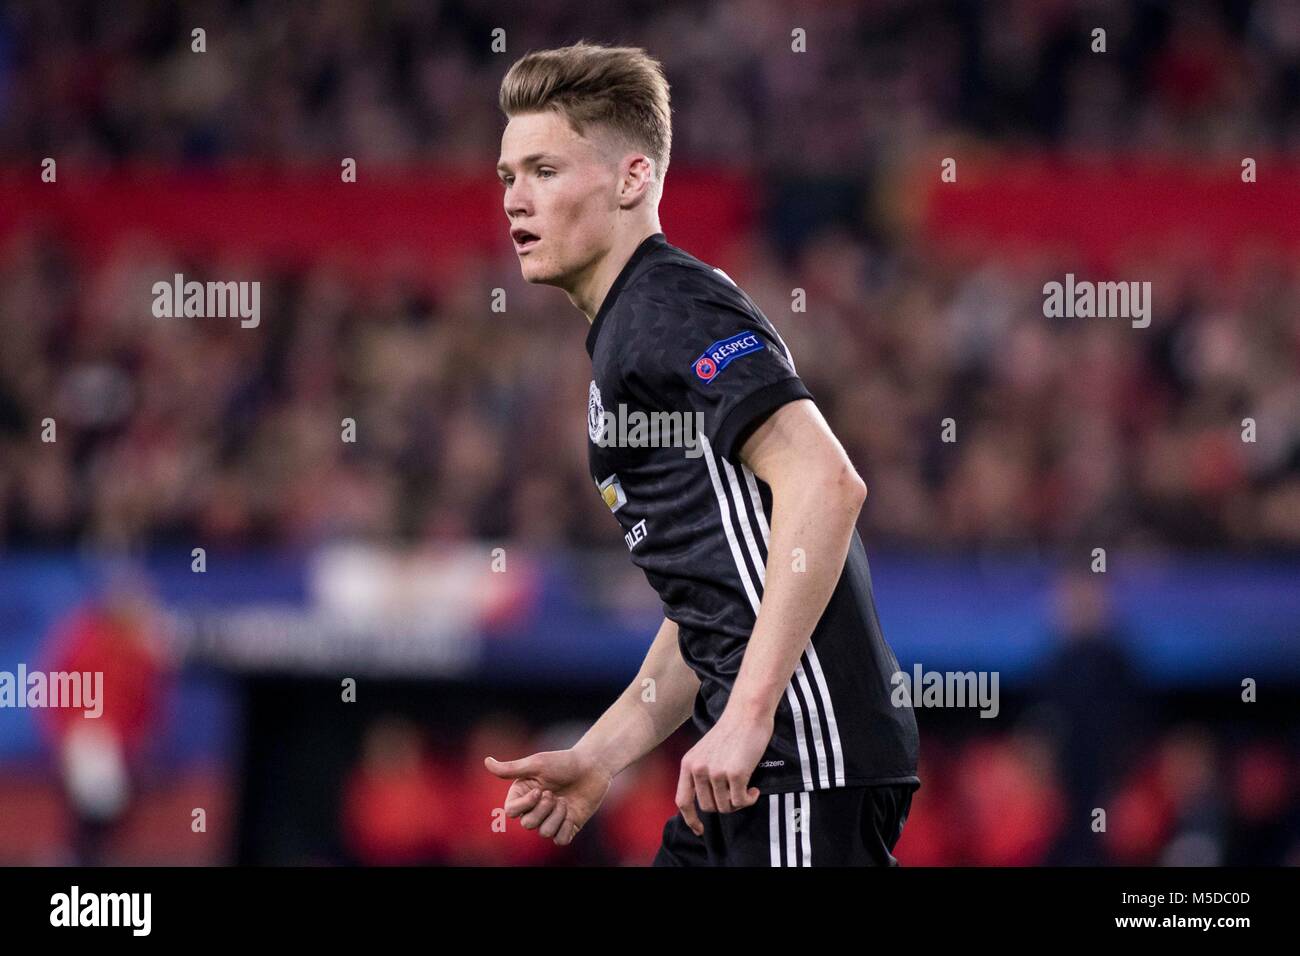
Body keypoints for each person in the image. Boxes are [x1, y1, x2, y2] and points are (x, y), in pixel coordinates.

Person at [484, 41, 919, 866]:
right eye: (508, 177)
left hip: (795, 754)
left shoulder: (668, 306)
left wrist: (752, 715)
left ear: (632, 178)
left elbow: (827, 483)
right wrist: (600, 756)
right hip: (745, 762)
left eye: (543, 170)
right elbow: (715, 600)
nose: (515, 201)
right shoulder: (625, 333)